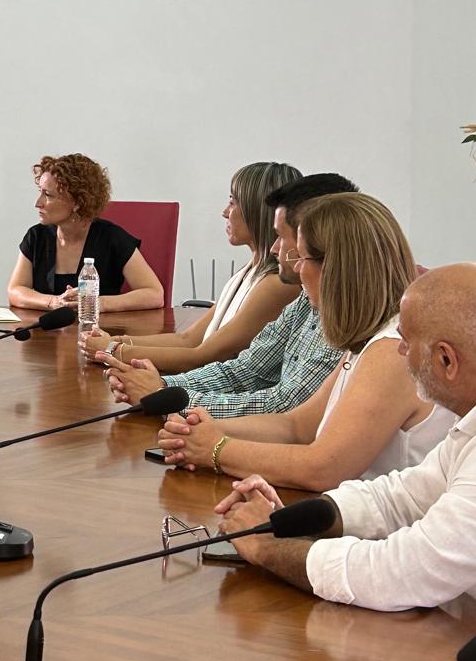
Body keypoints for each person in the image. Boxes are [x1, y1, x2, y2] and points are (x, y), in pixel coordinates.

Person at [215, 264, 476, 615]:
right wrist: (288, 520)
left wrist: (266, 548)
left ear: (446, 359)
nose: (400, 352)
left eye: (406, 342)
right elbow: (401, 499)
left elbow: (405, 573)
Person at [157, 193, 452, 486]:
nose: (297, 269)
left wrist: (216, 449)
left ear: (336, 269)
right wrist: (203, 430)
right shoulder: (369, 338)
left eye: (302, 257)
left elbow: (322, 468)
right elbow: (297, 426)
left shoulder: (392, 350)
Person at [106, 171, 357, 414]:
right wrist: (162, 386)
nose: (274, 247)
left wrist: (151, 383)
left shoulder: (342, 313)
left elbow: (284, 408)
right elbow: (245, 371)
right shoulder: (302, 298)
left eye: (282, 236)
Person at [81, 161, 302, 369]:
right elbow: (187, 339)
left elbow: (203, 356)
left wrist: (112, 350)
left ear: (256, 212)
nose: (225, 212)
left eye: (233, 202)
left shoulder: (276, 284)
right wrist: (116, 341)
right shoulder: (250, 271)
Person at [8, 154, 163, 315]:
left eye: (48, 195)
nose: (37, 203)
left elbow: (154, 294)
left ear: (77, 202)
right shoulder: (36, 237)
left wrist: (98, 303)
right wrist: (54, 302)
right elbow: (15, 290)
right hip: (47, 330)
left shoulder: (112, 237)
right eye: (40, 192)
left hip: (102, 329)